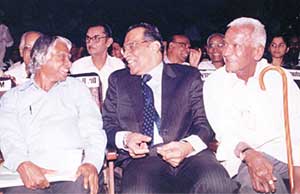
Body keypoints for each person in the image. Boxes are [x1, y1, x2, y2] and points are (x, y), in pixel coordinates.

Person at [102, 22, 238, 194]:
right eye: (124, 49)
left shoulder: (188, 75)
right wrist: (126, 138)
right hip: (143, 159)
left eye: (131, 46)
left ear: (154, 46)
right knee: (138, 191)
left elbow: (203, 123)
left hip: (191, 155)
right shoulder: (119, 80)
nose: (125, 54)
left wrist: (187, 146)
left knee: (217, 184)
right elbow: (107, 124)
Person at [203, 17, 300, 194]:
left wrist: (298, 177)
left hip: (284, 155)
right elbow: (226, 134)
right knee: (262, 186)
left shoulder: (278, 77)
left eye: (235, 45)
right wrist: (250, 154)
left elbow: (296, 128)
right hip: (241, 156)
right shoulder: (214, 83)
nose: (225, 52)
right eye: (225, 44)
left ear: (257, 51)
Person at [0, 35, 107, 194]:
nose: (69, 63)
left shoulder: (77, 90)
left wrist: (91, 163)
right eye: (62, 57)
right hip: (29, 170)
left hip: (72, 171)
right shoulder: (13, 97)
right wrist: (22, 163)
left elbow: (94, 131)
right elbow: (8, 136)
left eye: (69, 57)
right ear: (41, 59)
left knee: (82, 187)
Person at [70, 23, 125, 98]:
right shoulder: (77, 66)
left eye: (96, 38)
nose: (90, 42)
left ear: (108, 42)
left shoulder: (118, 66)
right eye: (88, 38)